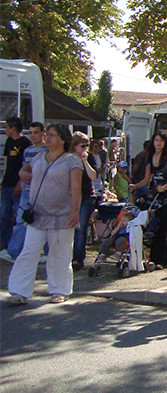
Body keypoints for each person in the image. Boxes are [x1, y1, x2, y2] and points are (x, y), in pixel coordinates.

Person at [6, 124, 83, 305]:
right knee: (29, 252)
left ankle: (60, 290)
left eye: (52, 135)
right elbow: (24, 169)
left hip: (62, 216)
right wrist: (23, 174)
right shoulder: (40, 156)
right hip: (38, 215)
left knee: (60, 254)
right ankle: (19, 291)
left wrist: (75, 211)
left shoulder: (72, 161)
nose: (47, 138)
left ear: (63, 139)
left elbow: (76, 188)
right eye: (47, 134)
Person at [129, 132, 167, 267]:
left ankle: (157, 258)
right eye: (156, 140)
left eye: (161, 141)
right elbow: (147, 179)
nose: (159, 143)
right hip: (158, 196)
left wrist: (165, 187)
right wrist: (136, 185)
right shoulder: (149, 158)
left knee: (163, 225)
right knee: (165, 226)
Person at [1, 122, 46, 263]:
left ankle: (48, 252)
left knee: (44, 221)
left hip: (42, 191)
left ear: (43, 133)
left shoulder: (47, 150)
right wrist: (20, 183)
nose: (33, 135)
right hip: (27, 190)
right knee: (21, 220)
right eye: (31, 132)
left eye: (36, 132)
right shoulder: (28, 151)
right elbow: (24, 169)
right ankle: (13, 252)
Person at [71, 132, 99, 271]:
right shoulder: (68, 158)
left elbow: (93, 177)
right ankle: (67, 257)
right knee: (70, 227)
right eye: (82, 146)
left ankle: (78, 258)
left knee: (81, 228)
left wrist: (85, 161)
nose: (85, 149)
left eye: (87, 145)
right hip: (71, 197)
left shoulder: (90, 158)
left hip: (87, 196)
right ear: (74, 145)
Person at [2, 117, 30, 251]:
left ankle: (17, 247)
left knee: (19, 217)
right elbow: (7, 161)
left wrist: (20, 183)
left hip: (18, 183)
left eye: (7, 127)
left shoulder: (25, 143)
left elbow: (26, 166)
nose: (5, 130)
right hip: (7, 182)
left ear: (13, 128)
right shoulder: (8, 142)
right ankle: (5, 246)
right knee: (4, 215)